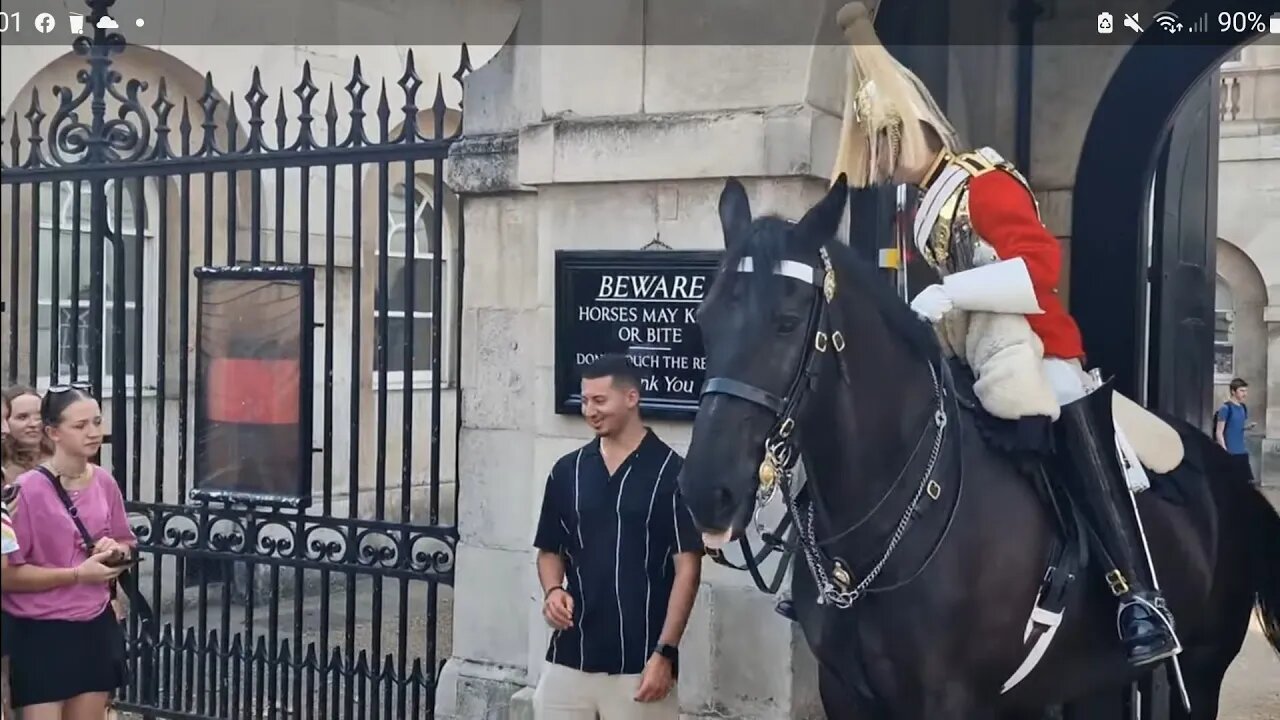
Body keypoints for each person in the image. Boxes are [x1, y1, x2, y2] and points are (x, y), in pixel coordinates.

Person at [826, 1, 1179, 668]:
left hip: (1040, 346)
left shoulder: (980, 186)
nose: (878, 160)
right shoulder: (925, 204)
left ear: (909, 131)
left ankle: (1138, 598)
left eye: (882, 142)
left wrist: (951, 291)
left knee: (1068, 420)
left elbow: (1041, 266)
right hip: (974, 355)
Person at [531, 354, 704, 719]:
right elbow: (549, 549)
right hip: (568, 661)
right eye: (585, 400)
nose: (590, 410)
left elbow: (687, 569)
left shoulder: (672, 474)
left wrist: (666, 653)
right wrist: (552, 591)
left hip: (639, 669)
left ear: (631, 398)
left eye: (599, 400)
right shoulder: (567, 472)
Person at [1, 384, 135, 719]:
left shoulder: (104, 482)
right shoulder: (26, 491)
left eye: (97, 421)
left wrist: (114, 552)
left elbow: (126, 541)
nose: (93, 433)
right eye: (80, 425)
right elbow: (8, 575)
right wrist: (76, 574)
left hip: (94, 626)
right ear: (53, 432)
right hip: (41, 631)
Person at [1215, 378, 1256, 485]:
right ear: (1233, 391)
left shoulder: (1243, 407)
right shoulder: (1226, 408)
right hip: (1231, 453)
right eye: (1242, 391)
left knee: (1245, 484)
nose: (1245, 394)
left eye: (1246, 391)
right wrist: (1224, 451)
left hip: (1242, 452)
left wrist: (1248, 427)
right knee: (1230, 484)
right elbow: (1219, 432)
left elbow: (1237, 427)